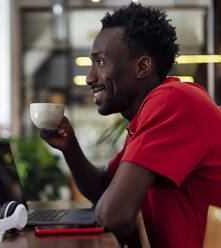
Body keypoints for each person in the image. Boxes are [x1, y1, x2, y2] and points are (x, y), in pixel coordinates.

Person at [40, 3, 221, 248]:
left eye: (100, 62)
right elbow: (104, 189)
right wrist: (69, 147)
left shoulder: (174, 100)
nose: (90, 78)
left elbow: (114, 214)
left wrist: (112, 211)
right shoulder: (148, 114)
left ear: (142, 67)